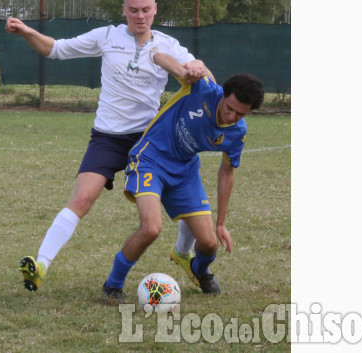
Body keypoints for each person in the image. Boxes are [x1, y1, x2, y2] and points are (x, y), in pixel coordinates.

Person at [5, 0, 212, 292]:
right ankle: (41, 265)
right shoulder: (107, 36)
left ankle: (183, 253)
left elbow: (198, 69)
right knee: (83, 198)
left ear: (155, 8)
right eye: (133, 10)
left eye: (145, 9)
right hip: (107, 138)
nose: (140, 16)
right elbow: (57, 49)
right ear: (124, 10)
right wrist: (27, 31)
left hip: (149, 142)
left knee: (181, 200)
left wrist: (199, 69)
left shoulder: (168, 46)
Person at [102, 52, 265, 301]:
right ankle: (112, 285)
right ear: (223, 95)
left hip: (185, 173)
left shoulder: (236, 132)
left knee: (209, 244)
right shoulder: (202, 89)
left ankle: (198, 270)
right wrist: (186, 70)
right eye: (230, 108)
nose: (232, 116)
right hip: (150, 160)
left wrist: (221, 222)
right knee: (151, 228)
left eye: (240, 114)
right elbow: (159, 57)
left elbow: (226, 172)